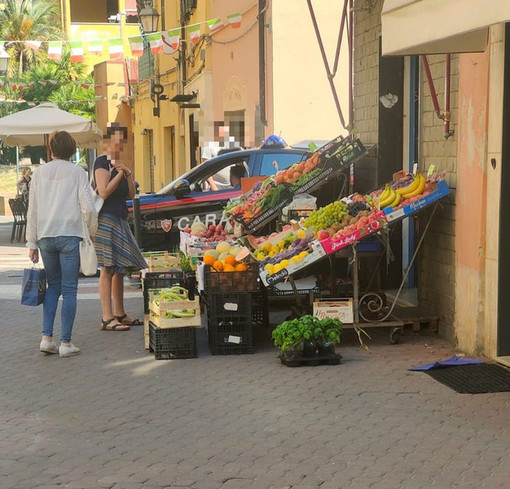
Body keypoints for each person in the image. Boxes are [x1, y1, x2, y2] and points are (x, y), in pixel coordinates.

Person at [26, 131, 97, 357]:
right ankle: (66, 343)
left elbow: (33, 210)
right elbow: (88, 206)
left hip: (45, 235)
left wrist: (31, 242)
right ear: (72, 149)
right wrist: (91, 231)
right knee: (69, 289)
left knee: (53, 286)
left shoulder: (38, 173)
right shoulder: (77, 172)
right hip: (69, 235)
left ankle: (47, 338)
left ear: (51, 149)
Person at [94, 123, 147, 332]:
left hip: (120, 219)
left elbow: (130, 195)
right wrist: (118, 174)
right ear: (107, 140)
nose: (119, 143)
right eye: (115, 139)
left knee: (120, 269)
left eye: (122, 140)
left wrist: (128, 173)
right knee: (107, 268)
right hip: (106, 219)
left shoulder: (119, 164)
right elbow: (104, 192)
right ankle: (106, 318)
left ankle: (120, 313)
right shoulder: (102, 162)